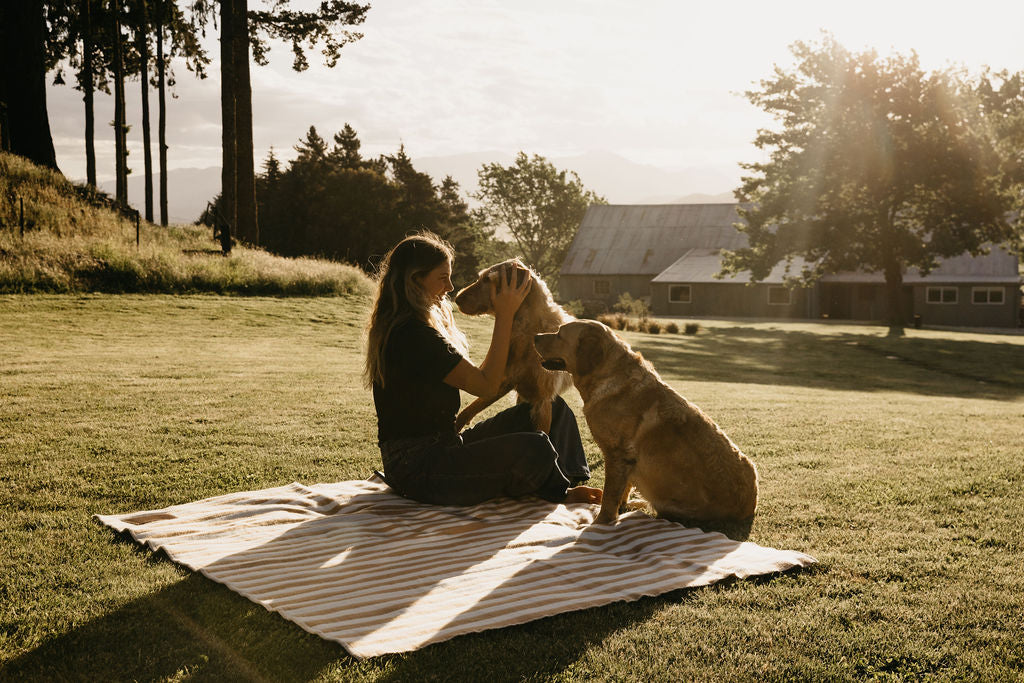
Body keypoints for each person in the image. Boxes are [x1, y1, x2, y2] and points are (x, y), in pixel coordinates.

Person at [364, 231, 603, 507]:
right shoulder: (412, 335)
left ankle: (568, 479)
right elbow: (487, 385)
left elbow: (488, 378)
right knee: (535, 446)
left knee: (556, 409)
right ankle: (558, 490)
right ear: (415, 280)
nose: (451, 287)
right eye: (443, 278)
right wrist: (504, 315)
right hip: (418, 470)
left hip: (444, 448)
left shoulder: (416, 326)